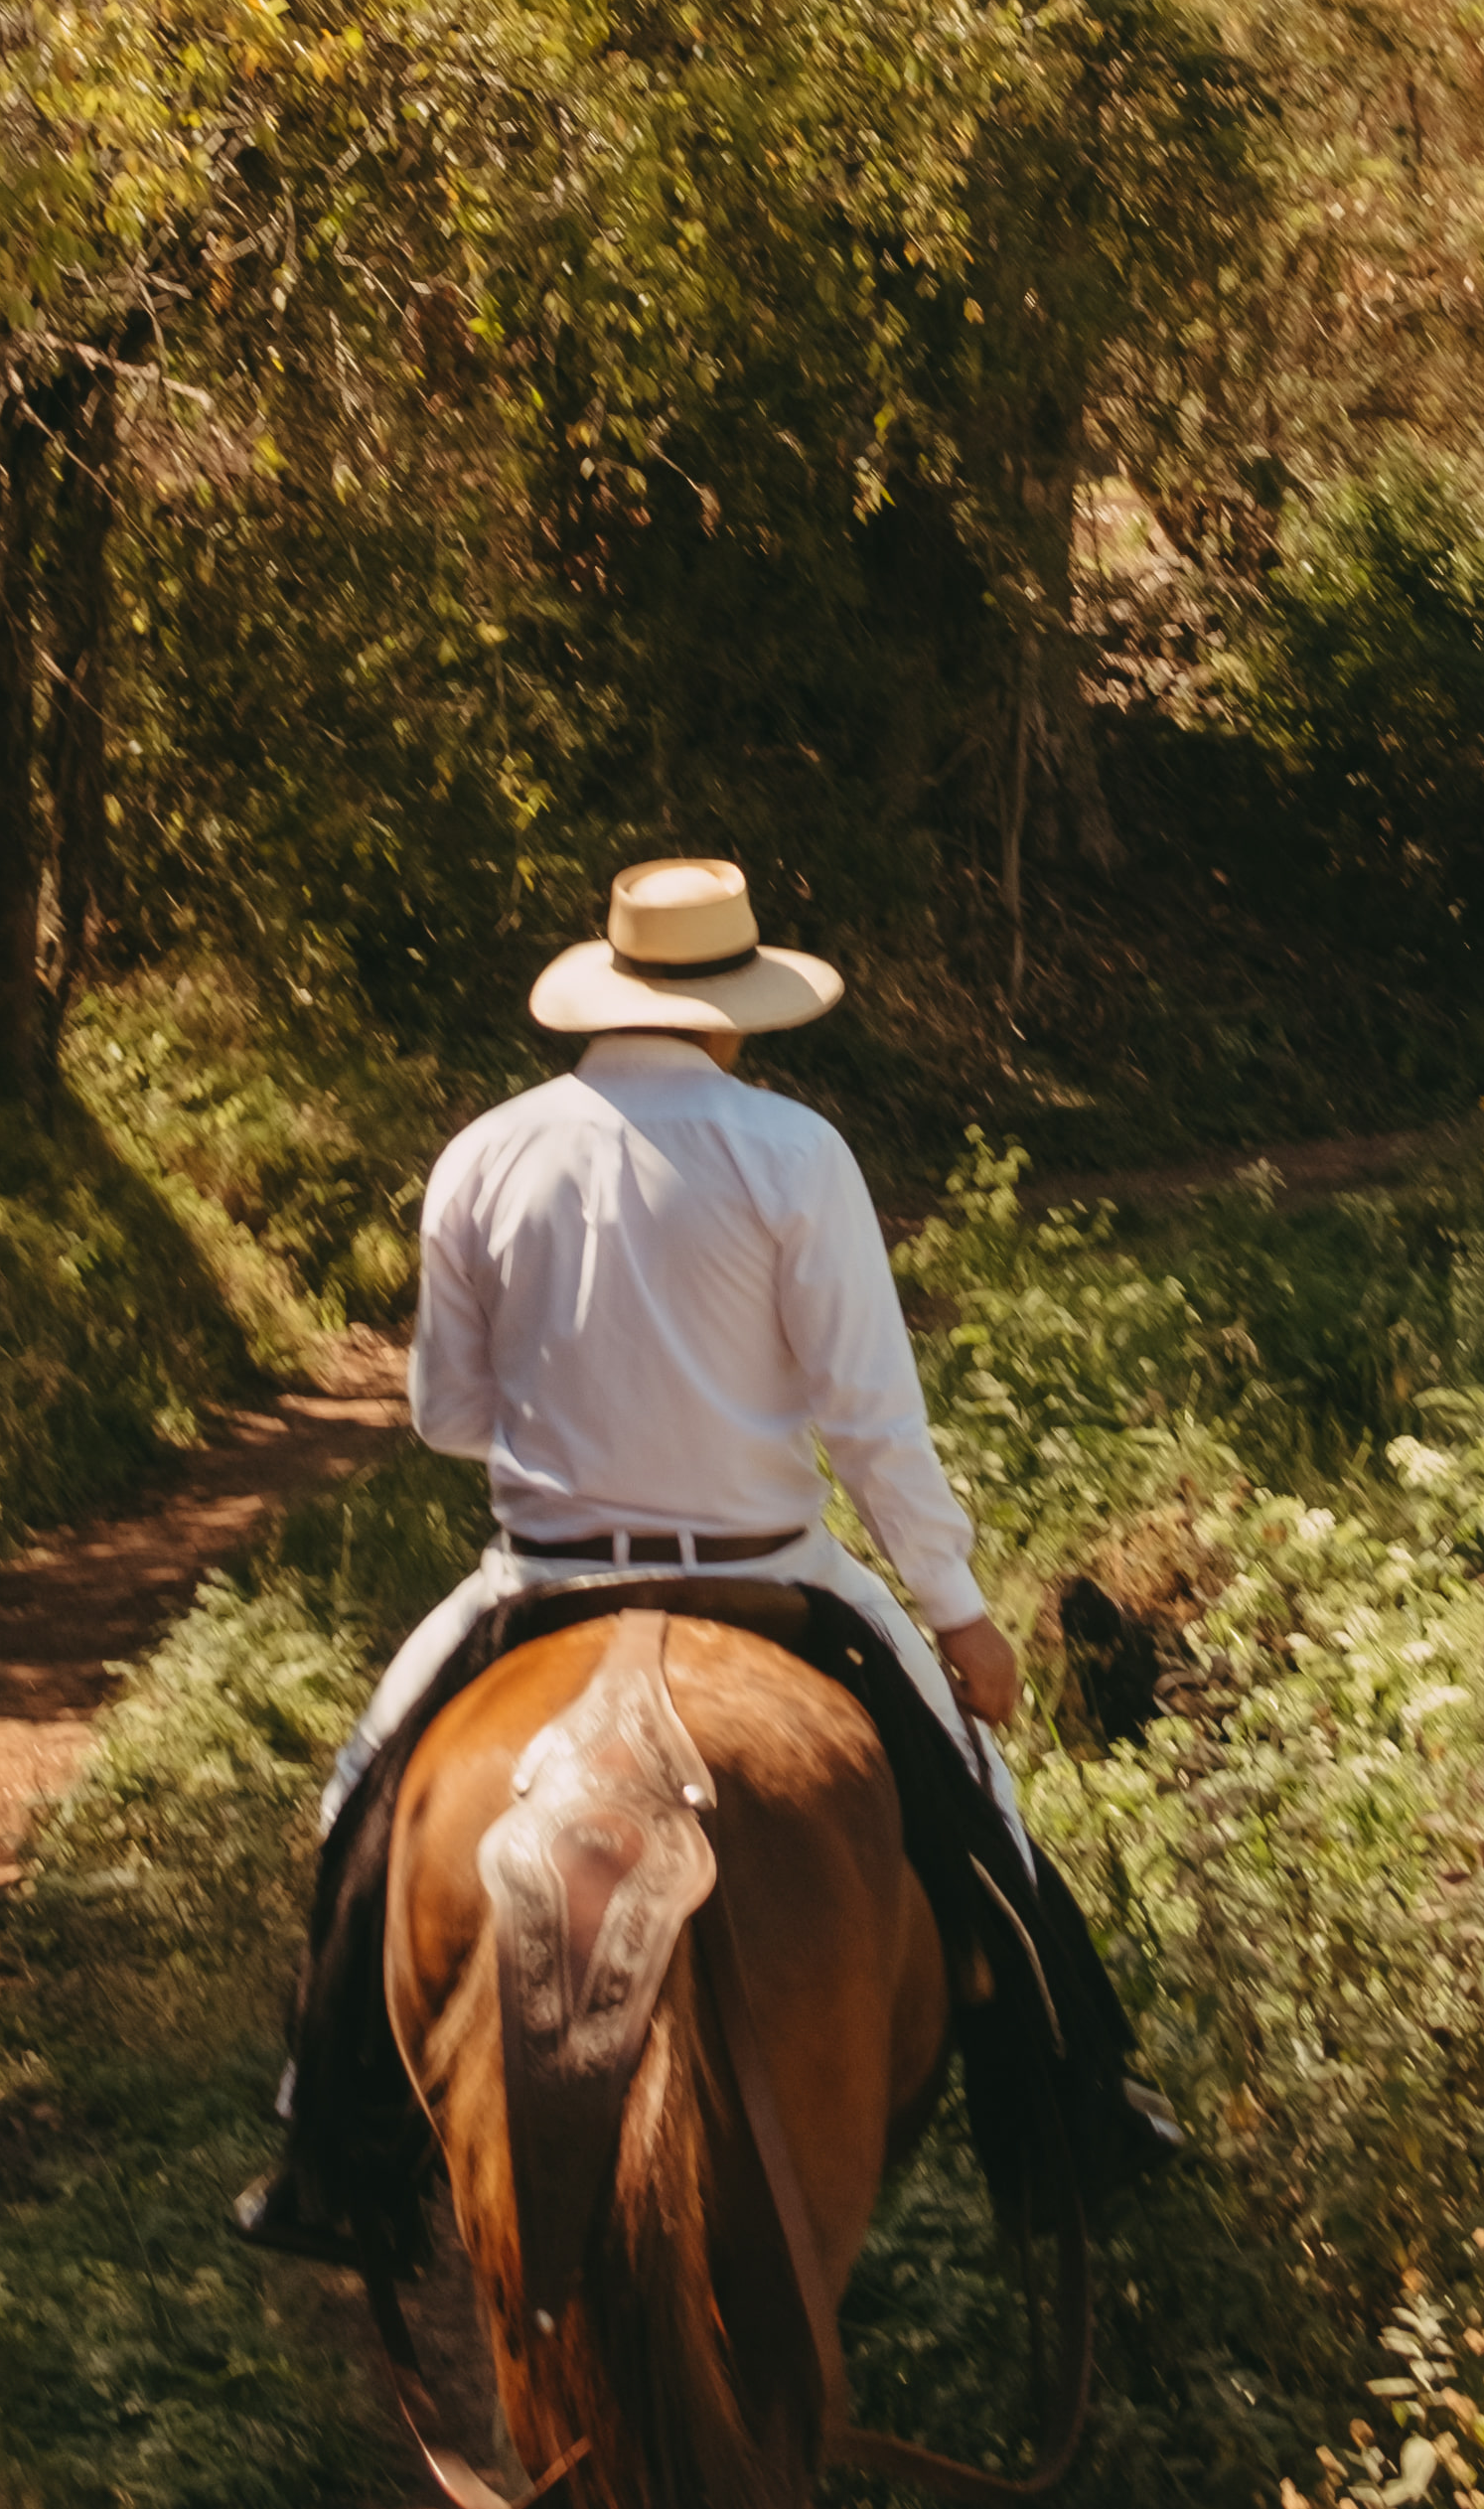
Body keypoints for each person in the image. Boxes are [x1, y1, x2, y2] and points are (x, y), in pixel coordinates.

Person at [235, 850, 1171, 2275]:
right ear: (736, 1010)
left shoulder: (486, 1152)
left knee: (359, 1805)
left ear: (606, 993)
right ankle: (1075, 2121)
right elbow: (871, 1420)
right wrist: (958, 1612)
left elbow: (445, 1415)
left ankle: (328, 2146)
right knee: (987, 1827)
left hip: (540, 1580)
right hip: (774, 1572)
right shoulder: (794, 1155)